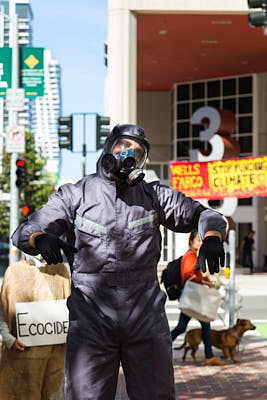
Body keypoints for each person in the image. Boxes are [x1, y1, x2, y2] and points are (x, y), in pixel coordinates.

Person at [12, 124, 227, 400]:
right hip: (91, 323)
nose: (130, 155)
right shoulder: (75, 195)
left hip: (145, 321)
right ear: (108, 149)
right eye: (124, 147)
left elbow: (201, 214)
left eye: (138, 153)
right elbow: (24, 231)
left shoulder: (154, 197)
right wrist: (40, 238)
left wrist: (210, 235)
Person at [0, 254, 71, 400]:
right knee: (21, 392)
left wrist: (69, 332)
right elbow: (2, 310)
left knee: (52, 393)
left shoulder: (61, 270)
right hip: (21, 356)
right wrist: (8, 338)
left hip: (54, 357)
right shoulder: (13, 272)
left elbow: (71, 306)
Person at [171, 230, 225, 366]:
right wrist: (206, 282)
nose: (200, 243)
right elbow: (190, 275)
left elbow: (198, 275)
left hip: (194, 297)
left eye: (201, 241)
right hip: (191, 296)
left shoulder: (194, 256)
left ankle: (209, 356)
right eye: (198, 240)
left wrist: (208, 281)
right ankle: (160, 348)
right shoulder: (190, 256)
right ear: (191, 241)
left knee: (205, 325)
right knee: (181, 327)